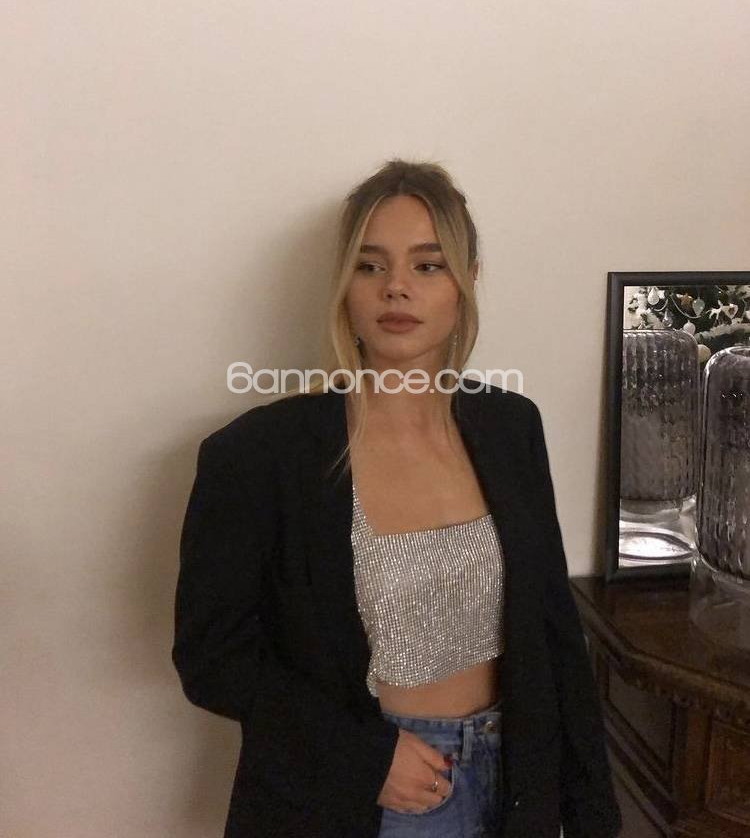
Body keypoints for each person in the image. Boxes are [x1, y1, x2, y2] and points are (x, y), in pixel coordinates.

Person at [171, 159, 622, 838]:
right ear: (345, 285)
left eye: (428, 265)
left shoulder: (511, 427)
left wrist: (592, 817)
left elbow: (554, 628)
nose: (396, 288)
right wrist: (364, 758)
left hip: (515, 783)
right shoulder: (259, 455)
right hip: (363, 799)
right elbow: (212, 658)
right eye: (371, 266)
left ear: (467, 281)